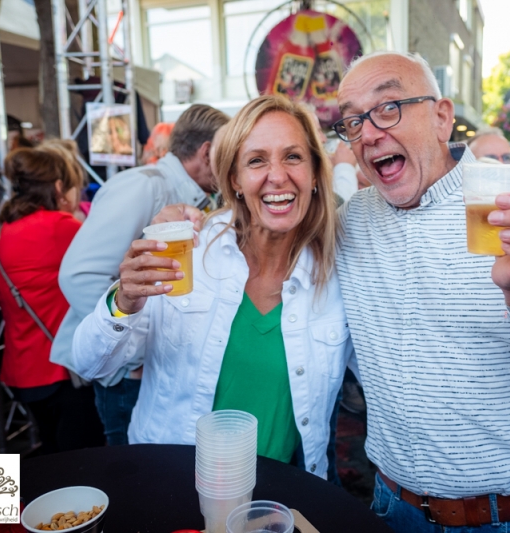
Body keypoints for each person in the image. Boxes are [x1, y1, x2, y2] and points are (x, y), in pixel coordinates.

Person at [331, 50, 510, 533]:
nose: (368, 133)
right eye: (352, 120)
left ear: (442, 117)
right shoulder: (352, 222)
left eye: (388, 108)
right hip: (394, 509)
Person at [71, 95, 350, 478]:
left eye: (293, 156)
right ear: (234, 179)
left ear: (315, 173)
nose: (277, 175)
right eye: (256, 160)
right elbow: (90, 363)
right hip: (173, 481)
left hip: (280, 488)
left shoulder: (338, 272)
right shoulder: (189, 252)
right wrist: (124, 301)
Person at [53, 104, 229, 446]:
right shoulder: (144, 186)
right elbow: (79, 275)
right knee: (133, 472)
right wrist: (135, 357)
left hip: (156, 372)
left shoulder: (187, 193)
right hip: (128, 378)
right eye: (229, 152)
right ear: (207, 152)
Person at [0, 148, 104, 455]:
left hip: (22, 370)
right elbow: (112, 263)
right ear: (58, 187)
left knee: (49, 454)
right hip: (62, 370)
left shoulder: (1, 233)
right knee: (80, 462)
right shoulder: (60, 226)